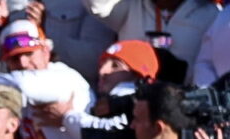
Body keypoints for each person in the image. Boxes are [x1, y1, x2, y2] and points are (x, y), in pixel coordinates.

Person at [84, 0, 218, 83]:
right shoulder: (130, 6)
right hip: (132, 104)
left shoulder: (210, 14)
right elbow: (97, 5)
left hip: (182, 104)